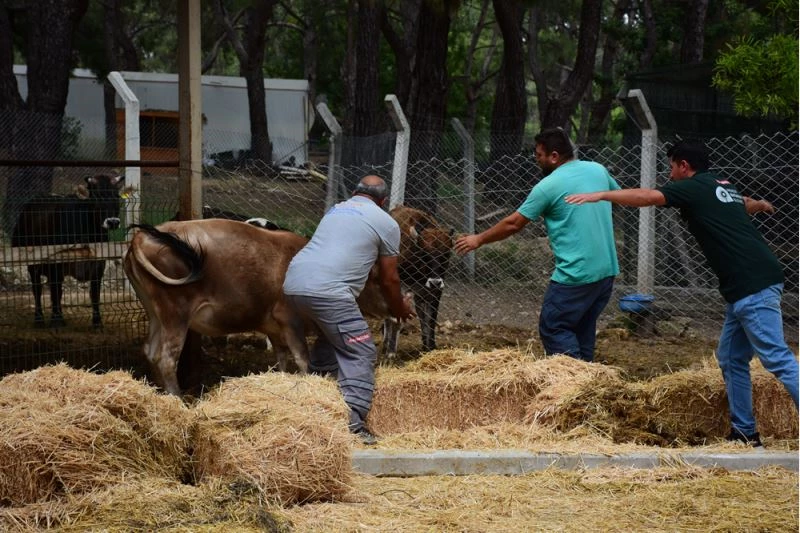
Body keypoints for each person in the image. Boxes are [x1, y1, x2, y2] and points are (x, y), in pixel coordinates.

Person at [565, 138, 799, 447]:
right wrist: (760, 205)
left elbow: (647, 196)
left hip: (751, 284)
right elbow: (744, 203)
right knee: (730, 358)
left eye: (672, 167)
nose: (670, 173)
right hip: (748, 284)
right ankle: (744, 433)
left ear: (684, 166)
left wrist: (601, 195)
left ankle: (746, 431)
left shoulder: (691, 187)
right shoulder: (719, 186)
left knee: (777, 358)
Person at [454, 128, 620, 362]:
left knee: (554, 325)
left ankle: (572, 380)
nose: (536, 160)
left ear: (554, 156)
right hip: (606, 270)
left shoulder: (548, 185)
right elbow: (619, 197)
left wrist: (478, 239)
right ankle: (587, 381)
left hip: (576, 273)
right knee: (582, 326)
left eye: (539, 155)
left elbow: (514, 224)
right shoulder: (597, 170)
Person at [283, 175, 415, 445]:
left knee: (332, 341)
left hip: (294, 285)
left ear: (355, 192)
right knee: (360, 349)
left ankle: (317, 408)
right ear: (383, 201)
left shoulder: (335, 210)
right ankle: (353, 423)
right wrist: (400, 307)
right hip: (329, 292)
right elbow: (389, 278)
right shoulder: (386, 222)